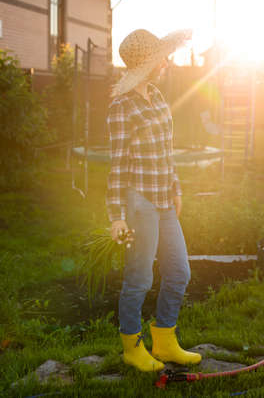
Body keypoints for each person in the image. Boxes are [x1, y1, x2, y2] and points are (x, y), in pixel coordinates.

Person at [106, 28, 202, 372]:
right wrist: (116, 216)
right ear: (147, 63)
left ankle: (164, 341)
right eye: (162, 56)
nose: (167, 60)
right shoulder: (122, 107)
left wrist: (175, 187)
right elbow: (117, 165)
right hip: (140, 202)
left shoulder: (158, 97)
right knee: (140, 278)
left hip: (163, 200)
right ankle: (132, 347)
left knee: (179, 271)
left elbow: (166, 150)